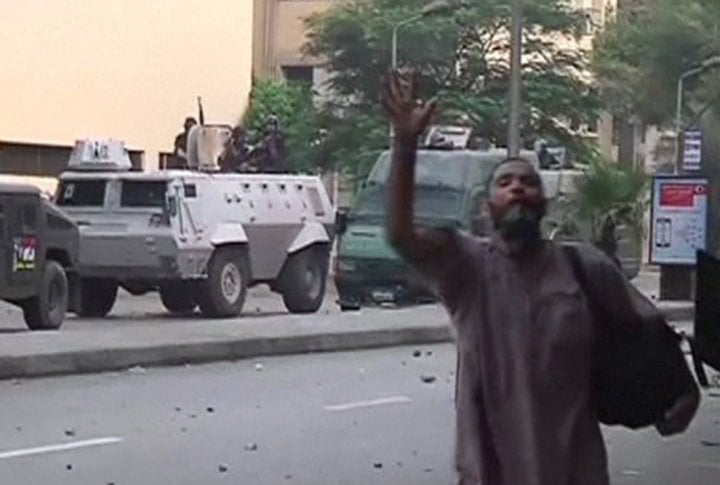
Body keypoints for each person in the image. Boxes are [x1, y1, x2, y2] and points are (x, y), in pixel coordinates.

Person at [382, 70, 700, 485]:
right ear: (487, 207)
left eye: (528, 182)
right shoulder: (467, 269)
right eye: (505, 182)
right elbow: (401, 235)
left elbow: (653, 331)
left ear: (544, 203)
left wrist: (686, 393)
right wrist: (405, 144)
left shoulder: (585, 268)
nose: (517, 188)